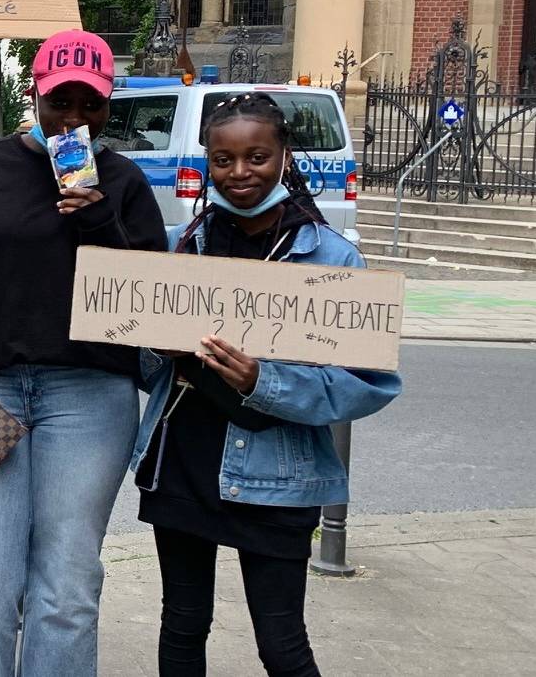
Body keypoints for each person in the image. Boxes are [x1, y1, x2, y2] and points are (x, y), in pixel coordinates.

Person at [0, 30, 167, 676]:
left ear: (109, 105)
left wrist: (98, 221)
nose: (74, 118)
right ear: (34, 95)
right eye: (60, 103)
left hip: (90, 396)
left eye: (90, 105)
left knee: (67, 589)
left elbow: (155, 303)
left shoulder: (125, 182)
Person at [134, 93, 400, 676]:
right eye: (223, 160)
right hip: (182, 463)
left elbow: (369, 382)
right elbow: (145, 365)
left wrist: (266, 381)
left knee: (281, 642)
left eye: (256, 156)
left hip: (278, 477)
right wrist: (159, 347)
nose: (240, 174)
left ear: (284, 157)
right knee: (181, 624)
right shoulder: (188, 244)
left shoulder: (332, 258)